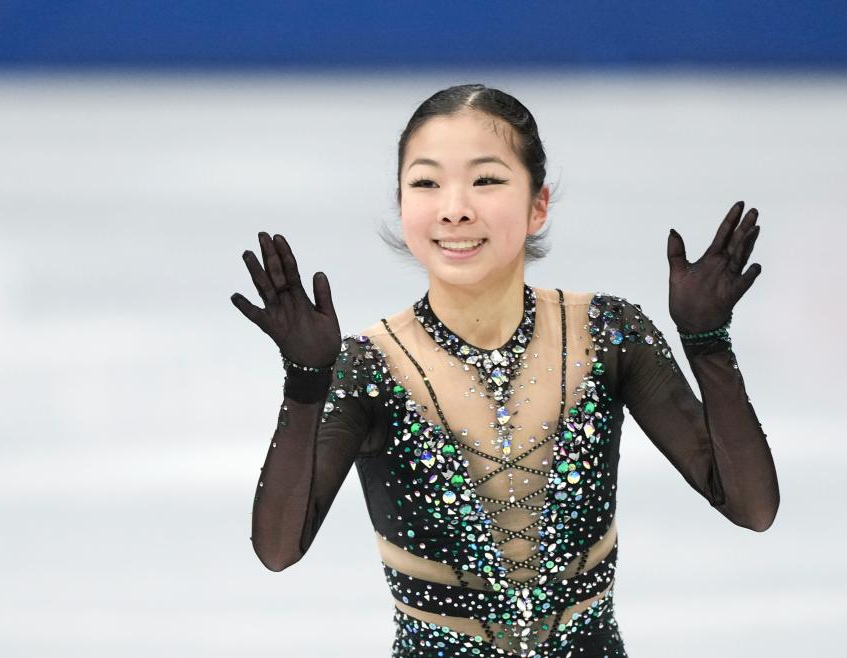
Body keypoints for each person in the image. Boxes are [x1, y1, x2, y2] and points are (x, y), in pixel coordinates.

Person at [230, 83, 779, 657]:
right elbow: (278, 549)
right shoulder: (373, 367)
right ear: (402, 204)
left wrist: (707, 343)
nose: (455, 208)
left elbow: (753, 508)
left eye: (486, 180)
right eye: (426, 183)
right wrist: (306, 381)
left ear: (538, 205)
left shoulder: (607, 336)